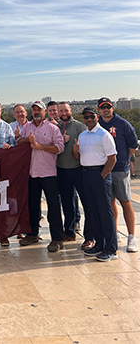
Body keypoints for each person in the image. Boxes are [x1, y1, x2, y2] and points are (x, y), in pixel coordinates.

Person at [17, 101, 65, 253]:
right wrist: (28, 140)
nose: (36, 112)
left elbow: (59, 147)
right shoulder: (27, 127)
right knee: (32, 206)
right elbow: (19, 141)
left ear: (44, 112)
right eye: (34, 109)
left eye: (39, 109)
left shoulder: (52, 128)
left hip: (49, 173)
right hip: (32, 173)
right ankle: (32, 234)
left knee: (53, 207)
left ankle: (57, 238)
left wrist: (40, 146)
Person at [75, 107, 118, 261]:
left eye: (91, 116)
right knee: (93, 212)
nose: (88, 119)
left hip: (99, 174)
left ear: (97, 117)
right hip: (86, 173)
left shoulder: (104, 135)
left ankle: (111, 248)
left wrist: (102, 176)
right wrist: (75, 150)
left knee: (105, 213)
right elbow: (78, 155)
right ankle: (99, 244)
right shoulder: (83, 135)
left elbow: (112, 158)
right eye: (85, 117)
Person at [96, 97, 138, 252]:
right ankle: (113, 233)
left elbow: (132, 145)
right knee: (110, 202)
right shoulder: (97, 124)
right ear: (99, 110)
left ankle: (132, 236)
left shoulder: (122, 124)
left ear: (112, 108)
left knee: (125, 201)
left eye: (108, 107)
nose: (106, 110)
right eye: (103, 107)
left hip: (120, 169)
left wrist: (122, 159)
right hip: (104, 169)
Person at [55, 102, 85, 244]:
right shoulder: (56, 127)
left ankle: (90, 235)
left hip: (77, 169)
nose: (64, 113)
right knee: (67, 204)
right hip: (61, 170)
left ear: (70, 110)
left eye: (66, 110)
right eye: (61, 111)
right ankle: (69, 231)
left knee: (85, 202)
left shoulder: (79, 126)